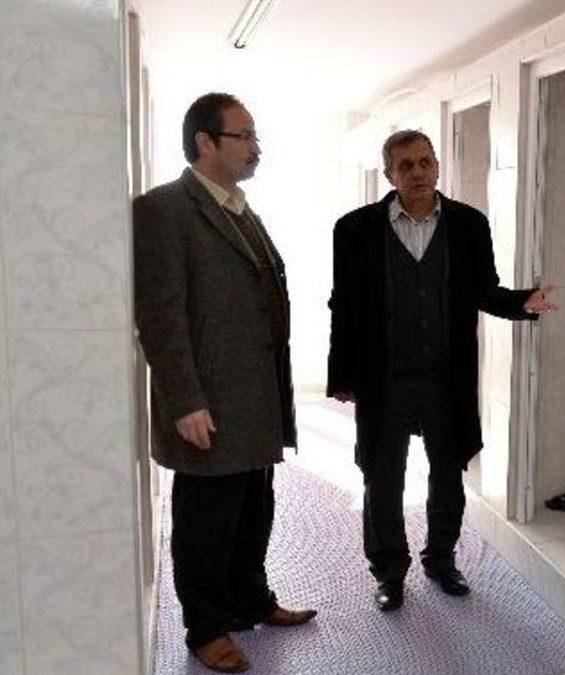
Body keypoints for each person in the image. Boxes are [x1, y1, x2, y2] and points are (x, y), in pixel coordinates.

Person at [326, 129, 557, 612]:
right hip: (384, 380)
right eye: (406, 165)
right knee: (382, 478)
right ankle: (389, 571)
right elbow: (343, 305)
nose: (417, 172)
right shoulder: (354, 229)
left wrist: (522, 302)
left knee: (448, 476)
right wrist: (342, 374)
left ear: (436, 165)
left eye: (425, 162)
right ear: (389, 174)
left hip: (445, 380)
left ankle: (441, 560)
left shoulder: (469, 224)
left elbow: (484, 290)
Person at [133, 92, 316, 673]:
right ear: (204, 142)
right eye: (245, 135)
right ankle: (206, 627)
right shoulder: (163, 209)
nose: (255, 147)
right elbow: (161, 315)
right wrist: (184, 401)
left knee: (252, 511)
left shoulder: (240, 208)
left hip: (256, 399)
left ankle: (250, 600)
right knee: (206, 522)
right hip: (208, 401)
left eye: (255, 136)